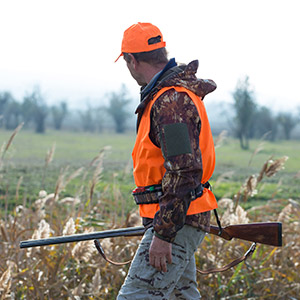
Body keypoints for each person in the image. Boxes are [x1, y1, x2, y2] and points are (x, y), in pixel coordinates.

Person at [115, 22, 218, 300]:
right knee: (181, 297)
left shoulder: (171, 102)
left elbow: (184, 171)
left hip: (176, 220)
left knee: (135, 297)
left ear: (131, 60)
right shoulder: (167, 96)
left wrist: (163, 234)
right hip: (176, 217)